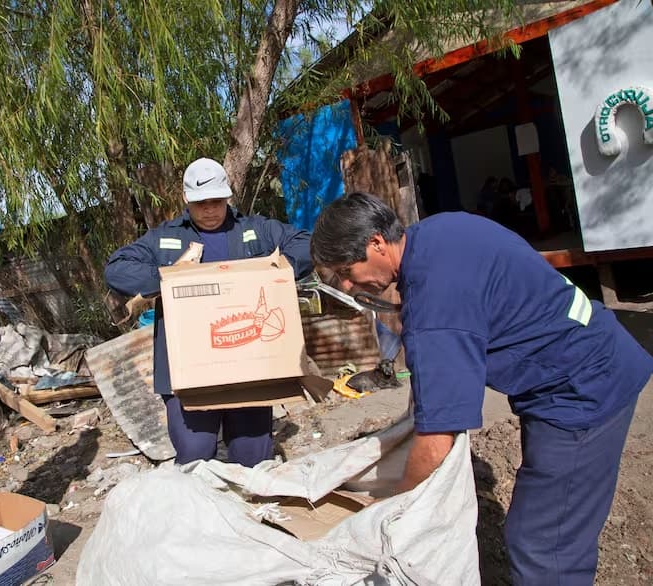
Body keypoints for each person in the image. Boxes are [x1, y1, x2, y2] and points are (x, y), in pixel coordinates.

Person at [309, 192, 652, 585]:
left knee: (543, 545)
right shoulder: (441, 230)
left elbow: (438, 438)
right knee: (549, 532)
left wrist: (392, 507)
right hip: (584, 360)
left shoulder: (436, 306)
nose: (351, 287)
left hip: (582, 393)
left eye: (347, 271)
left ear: (376, 243)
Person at [105, 158, 312, 467]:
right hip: (187, 371)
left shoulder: (255, 230)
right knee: (195, 454)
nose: (211, 210)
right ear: (186, 200)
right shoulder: (164, 239)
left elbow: (306, 244)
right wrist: (169, 276)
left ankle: (251, 509)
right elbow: (116, 269)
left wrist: (276, 273)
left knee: (252, 456)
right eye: (202, 203)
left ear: (228, 197)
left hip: (250, 366)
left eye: (218, 201)